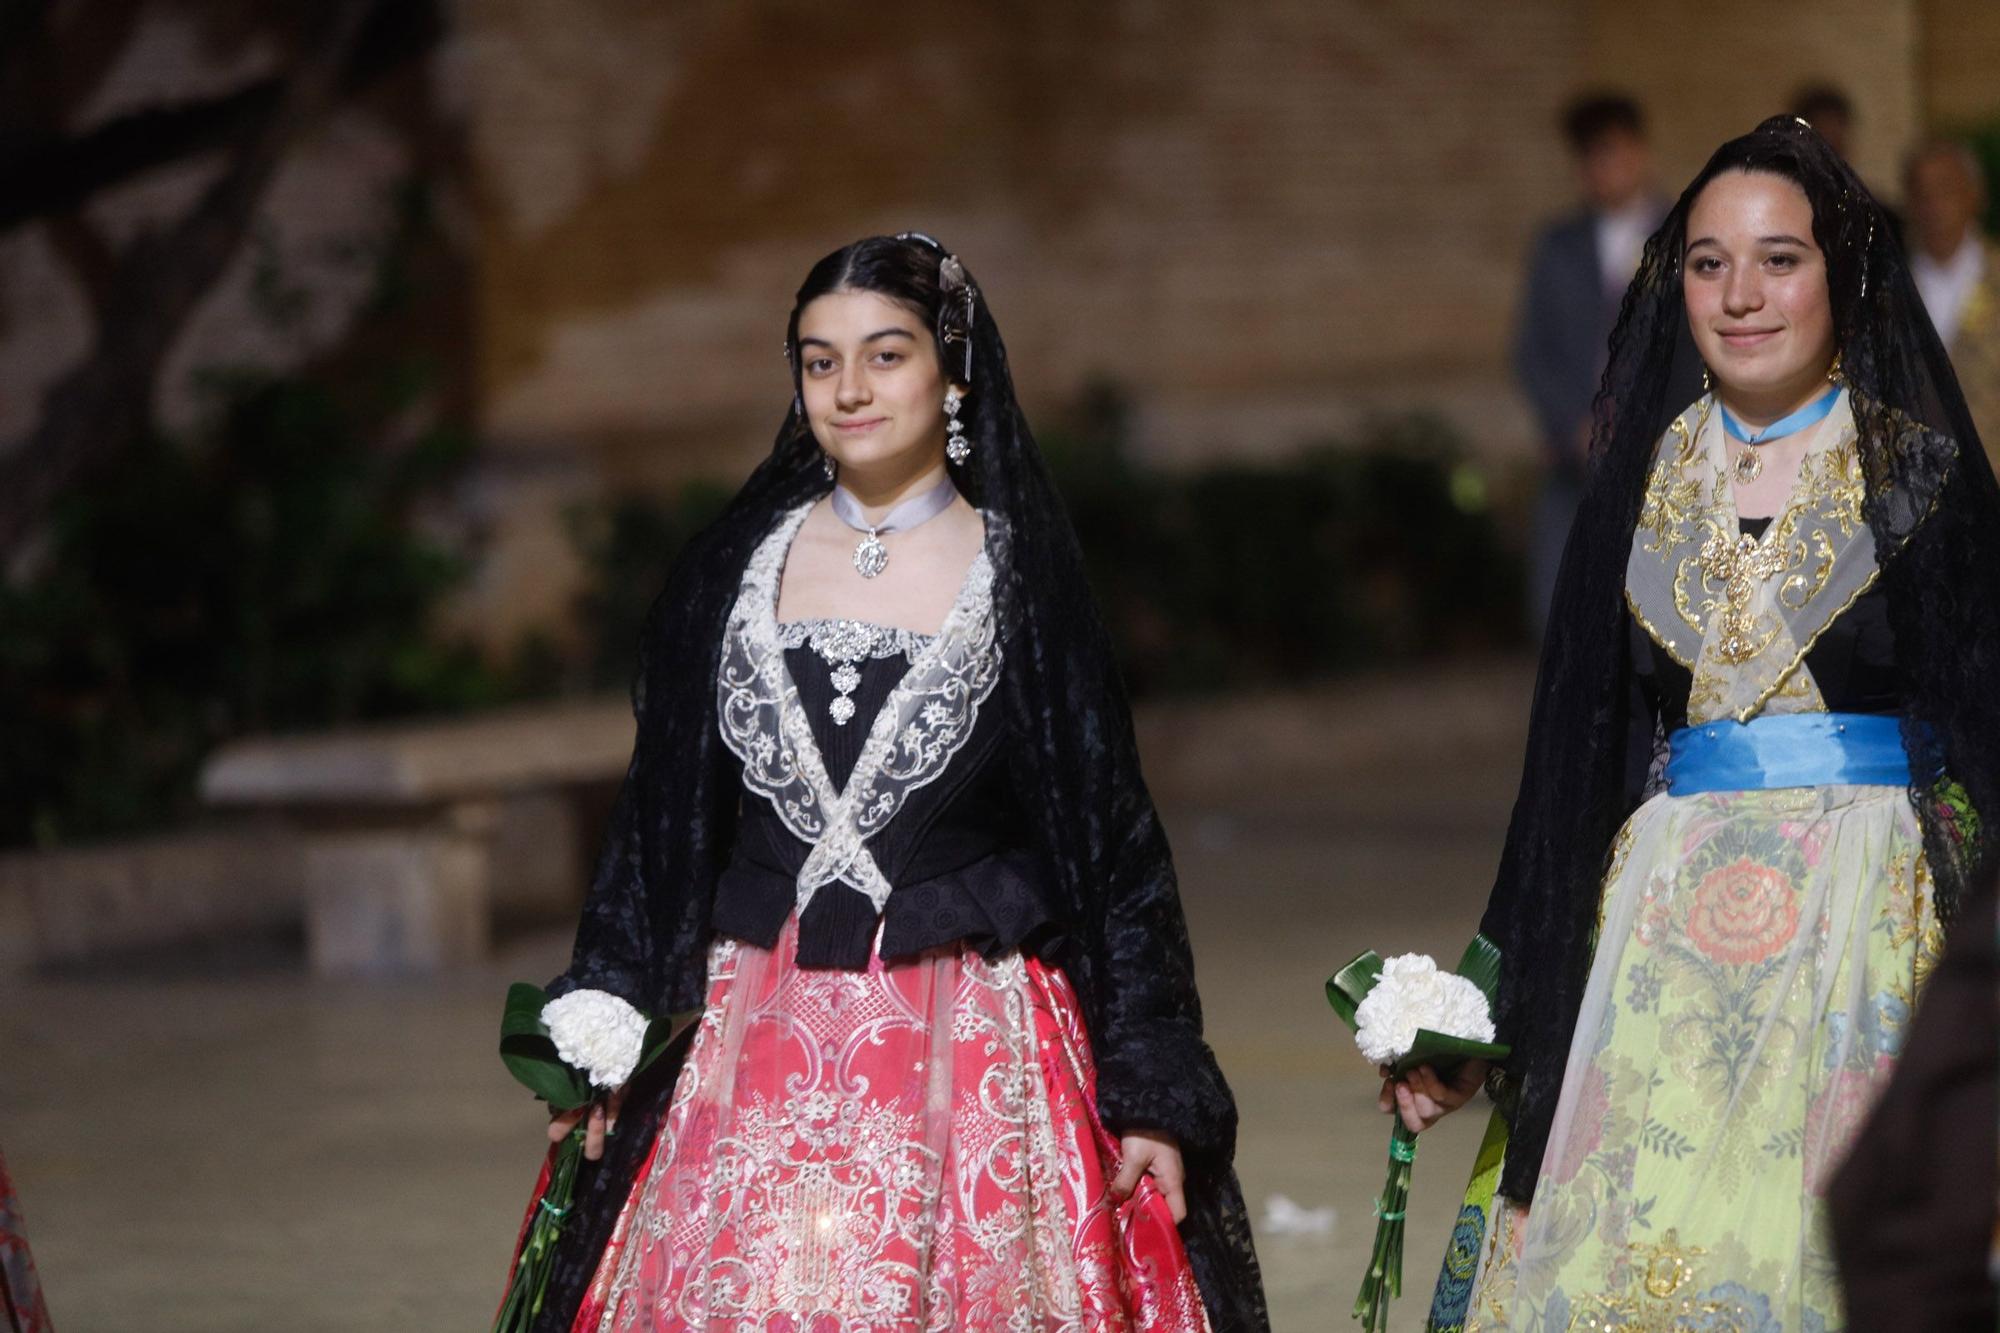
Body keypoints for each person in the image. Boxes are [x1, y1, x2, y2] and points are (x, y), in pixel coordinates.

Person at [499, 233, 1268, 1332]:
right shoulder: (735, 568)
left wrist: (1150, 1089)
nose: (849, 389)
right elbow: (658, 823)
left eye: (885, 354)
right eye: (819, 361)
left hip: (974, 1055)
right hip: (742, 1046)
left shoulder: (1021, 579)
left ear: (953, 372)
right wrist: (606, 1013)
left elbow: (1114, 851)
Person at [1401, 116, 2000, 1332]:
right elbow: (1568, 774)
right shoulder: (1636, 485)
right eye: (1707, 262)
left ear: (1843, 271)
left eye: (1780, 259)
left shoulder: (1919, 483)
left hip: (1866, 937)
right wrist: (1483, 1008)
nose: (1740, 296)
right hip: (1660, 954)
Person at [1515, 92, 1667, 637]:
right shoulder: (1558, 244)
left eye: (1610, 151)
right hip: (1573, 466)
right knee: (1563, 619)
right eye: (1587, 156)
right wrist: (1571, 424)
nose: (1599, 168)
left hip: (1661, 466)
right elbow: (1533, 350)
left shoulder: (1683, 238)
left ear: (1639, 151)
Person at [1906, 138, 2000, 449]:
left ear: (1975, 195)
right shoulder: (1891, 291)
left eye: (1945, 189)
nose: (1932, 204)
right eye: (1921, 193)